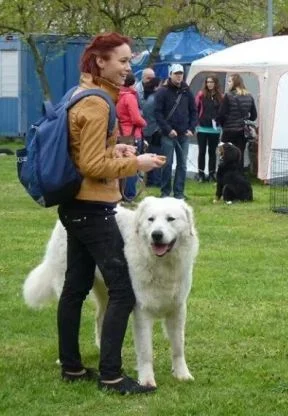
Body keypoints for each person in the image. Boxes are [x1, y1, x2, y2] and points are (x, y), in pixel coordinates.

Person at [58, 32, 164, 394]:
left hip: (76, 205)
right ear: (100, 62)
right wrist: (136, 163)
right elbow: (90, 164)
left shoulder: (82, 92)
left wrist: (114, 149)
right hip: (91, 208)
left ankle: (72, 368)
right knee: (123, 291)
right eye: (122, 60)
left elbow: (84, 153)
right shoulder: (97, 103)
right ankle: (112, 376)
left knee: (75, 287)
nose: (127, 67)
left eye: (129, 60)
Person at [154, 63, 197, 199]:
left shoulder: (187, 91)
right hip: (168, 134)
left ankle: (179, 192)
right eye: (176, 74)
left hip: (184, 134)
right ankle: (165, 192)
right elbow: (158, 113)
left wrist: (191, 128)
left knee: (182, 164)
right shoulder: (162, 91)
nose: (179, 76)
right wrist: (168, 129)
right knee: (167, 164)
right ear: (170, 75)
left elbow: (194, 111)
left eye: (181, 74)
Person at [217, 73, 257, 170]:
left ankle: (226, 175)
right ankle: (238, 175)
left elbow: (221, 115)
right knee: (239, 155)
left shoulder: (228, 96)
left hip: (229, 131)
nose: (228, 83)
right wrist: (245, 118)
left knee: (225, 155)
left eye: (230, 81)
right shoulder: (249, 96)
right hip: (242, 132)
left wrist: (223, 125)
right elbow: (254, 116)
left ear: (235, 83)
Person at [194, 75, 223, 182]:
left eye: (211, 82)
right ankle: (200, 173)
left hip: (215, 129)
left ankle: (212, 173)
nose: (209, 84)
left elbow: (222, 111)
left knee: (212, 152)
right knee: (202, 151)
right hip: (202, 128)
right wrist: (196, 124)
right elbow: (195, 109)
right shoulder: (201, 95)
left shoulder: (220, 96)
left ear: (216, 83)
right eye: (208, 82)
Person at [142, 76, 163, 187]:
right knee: (156, 156)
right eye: (161, 85)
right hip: (155, 131)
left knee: (150, 156)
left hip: (148, 130)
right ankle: (156, 181)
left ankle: (150, 180)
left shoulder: (148, 98)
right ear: (156, 87)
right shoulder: (155, 100)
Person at [116, 72, 146, 142]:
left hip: (120, 132)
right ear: (133, 83)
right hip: (132, 134)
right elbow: (136, 119)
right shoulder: (130, 97)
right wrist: (144, 123)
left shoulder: (117, 95)